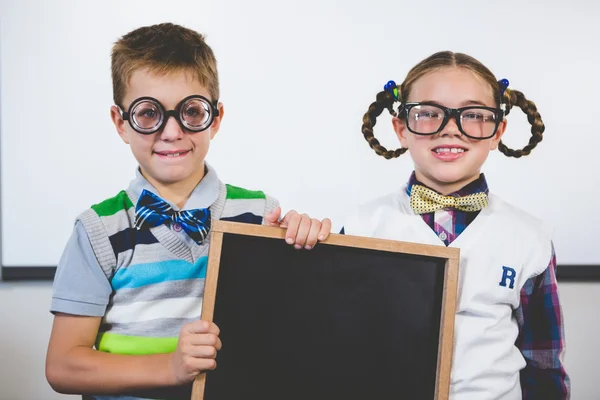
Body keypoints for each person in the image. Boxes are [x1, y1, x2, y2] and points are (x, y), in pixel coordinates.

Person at [45, 22, 331, 400]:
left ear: (216, 117)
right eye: (148, 114)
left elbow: (294, 329)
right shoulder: (98, 230)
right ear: (120, 123)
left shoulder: (260, 214)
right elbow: (63, 366)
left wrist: (306, 246)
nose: (172, 131)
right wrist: (170, 367)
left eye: (191, 111)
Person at [342, 50, 569, 399]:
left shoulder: (529, 238)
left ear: (497, 131)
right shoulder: (360, 227)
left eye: (474, 115)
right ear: (401, 129)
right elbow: (336, 342)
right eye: (429, 114)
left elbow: (544, 364)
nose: (450, 129)